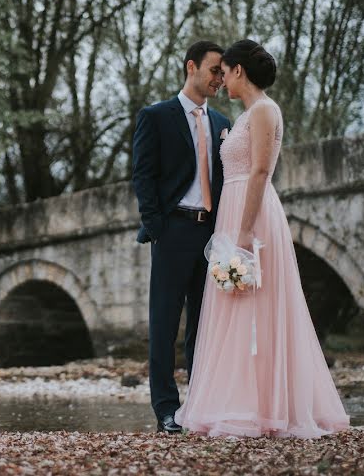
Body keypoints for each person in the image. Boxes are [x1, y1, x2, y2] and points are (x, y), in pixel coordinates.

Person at [174, 39, 350, 438]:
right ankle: (234, 400)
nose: (221, 79)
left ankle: (264, 407)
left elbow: (259, 172)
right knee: (233, 309)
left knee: (258, 305)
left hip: (251, 216)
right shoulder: (245, 115)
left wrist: (244, 230)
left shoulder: (266, 110)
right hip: (232, 212)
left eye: (225, 71)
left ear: (239, 71)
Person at [131, 40, 231, 434]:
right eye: (214, 71)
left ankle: (199, 406)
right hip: (172, 230)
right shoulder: (156, 116)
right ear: (192, 67)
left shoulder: (223, 124)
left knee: (204, 326)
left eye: (224, 73)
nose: (220, 79)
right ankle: (167, 411)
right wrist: (158, 229)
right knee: (165, 323)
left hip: (211, 233)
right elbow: (142, 176)